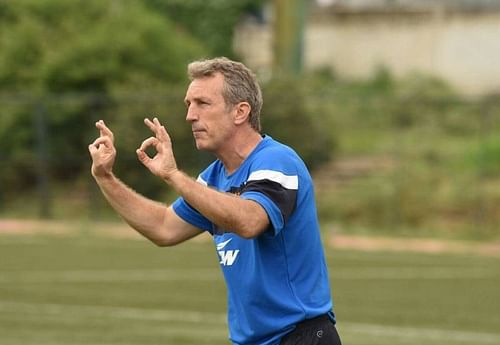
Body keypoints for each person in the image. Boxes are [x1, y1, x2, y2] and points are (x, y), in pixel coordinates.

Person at [88, 57, 341, 345]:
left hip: (300, 337)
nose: (190, 116)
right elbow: (163, 227)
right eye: (188, 104)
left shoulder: (276, 161)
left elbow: (249, 220)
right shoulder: (213, 179)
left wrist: (172, 175)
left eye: (202, 104)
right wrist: (105, 178)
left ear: (240, 112)